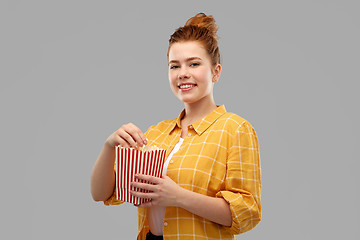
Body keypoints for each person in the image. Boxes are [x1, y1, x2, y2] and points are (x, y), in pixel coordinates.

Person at [91, 13, 261, 240]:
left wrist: (178, 196)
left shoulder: (235, 129)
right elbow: (101, 193)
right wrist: (110, 145)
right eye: (174, 66)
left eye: (194, 63)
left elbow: (247, 211)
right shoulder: (156, 133)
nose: (183, 74)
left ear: (216, 72)